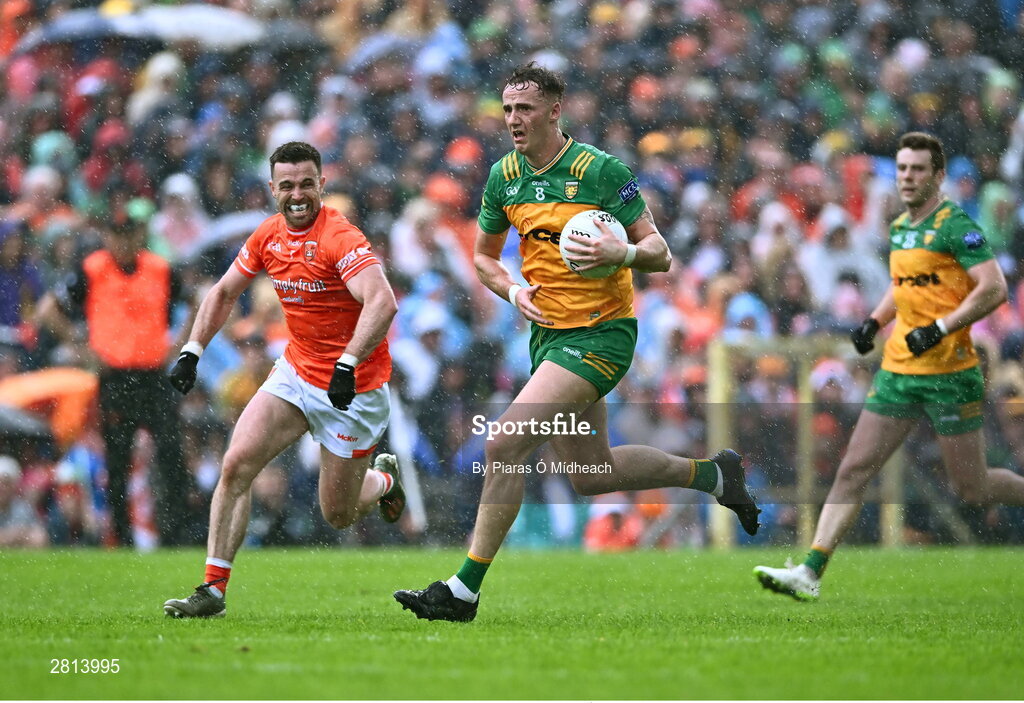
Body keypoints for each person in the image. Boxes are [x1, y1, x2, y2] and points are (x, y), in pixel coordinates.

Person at [394, 63, 760, 622]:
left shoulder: (602, 171)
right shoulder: (504, 177)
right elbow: (484, 259)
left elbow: (660, 251)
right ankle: (714, 475)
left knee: (502, 446)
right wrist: (513, 292)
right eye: (508, 109)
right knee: (593, 475)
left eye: (525, 109)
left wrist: (623, 254)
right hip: (548, 337)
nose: (514, 119)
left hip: (602, 335)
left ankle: (463, 590)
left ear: (554, 111)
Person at [754, 132, 1024, 601]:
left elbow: (994, 288)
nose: (907, 177)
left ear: (938, 176)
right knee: (854, 468)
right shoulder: (900, 227)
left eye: (918, 169)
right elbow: (904, 286)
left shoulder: (956, 225)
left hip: (949, 373)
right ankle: (809, 572)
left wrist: (941, 327)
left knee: (973, 487)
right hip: (899, 368)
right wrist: (874, 320)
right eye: (901, 169)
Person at [162, 141, 404, 618]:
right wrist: (192, 351)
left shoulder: (341, 236)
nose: (297, 195)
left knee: (337, 514)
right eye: (287, 185)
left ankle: (383, 481)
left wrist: (348, 362)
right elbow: (224, 291)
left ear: (322, 185)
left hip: (351, 387)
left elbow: (383, 302)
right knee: (236, 465)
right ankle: (212, 590)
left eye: (306, 184)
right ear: (272, 189)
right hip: (295, 373)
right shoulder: (267, 235)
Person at [37, 215, 191, 547]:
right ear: (106, 235)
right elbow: (48, 309)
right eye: (116, 234)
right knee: (117, 460)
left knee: (170, 454)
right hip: (115, 377)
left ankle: (175, 534)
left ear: (140, 234)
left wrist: (179, 346)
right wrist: (81, 348)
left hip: (153, 376)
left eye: (129, 233)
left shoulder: (159, 268)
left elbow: (198, 302)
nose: (122, 242)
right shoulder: (93, 269)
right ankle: (121, 538)